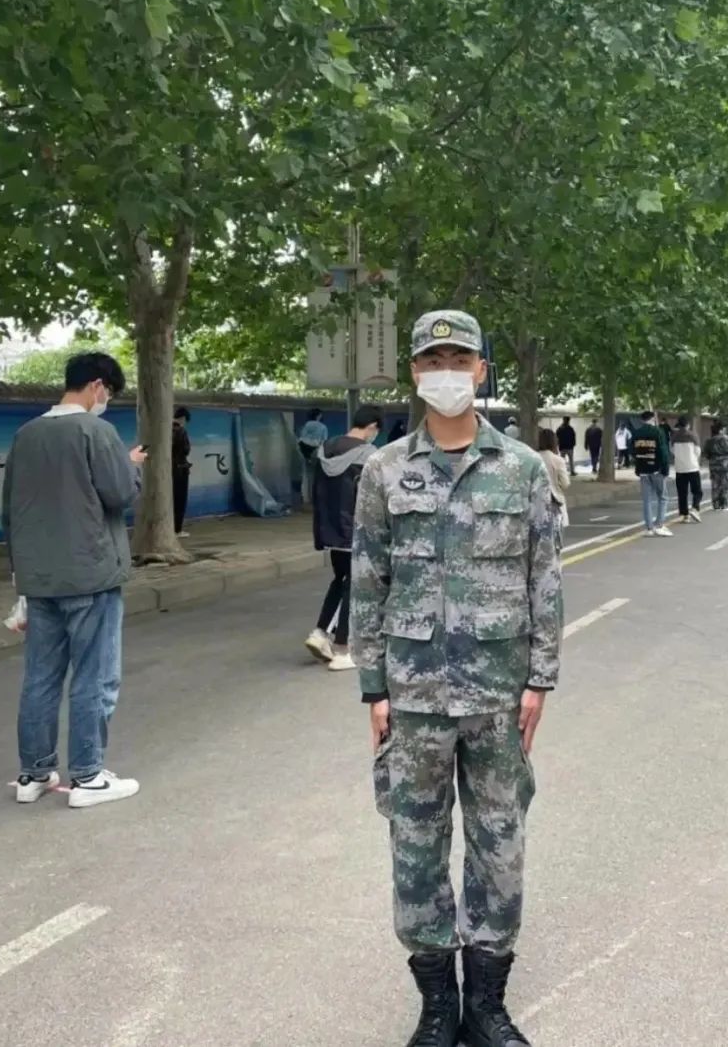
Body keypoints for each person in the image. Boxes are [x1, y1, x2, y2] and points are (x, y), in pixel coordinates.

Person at [351, 310, 561, 1047]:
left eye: (459, 358)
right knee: (416, 846)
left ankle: (487, 1005)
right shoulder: (384, 470)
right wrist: (373, 688)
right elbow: (368, 579)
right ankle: (438, 1003)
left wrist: (540, 680)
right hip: (413, 695)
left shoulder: (523, 467)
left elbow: (544, 577)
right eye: (433, 359)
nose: (446, 370)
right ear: (415, 372)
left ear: (480, 370)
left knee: (499, 843)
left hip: (499, 693)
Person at [3, 352, 145, 808]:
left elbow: (12, 511)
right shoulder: (95, 432)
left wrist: (20, 578)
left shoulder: (26, 434)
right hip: (90, 573)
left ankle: (34, 773)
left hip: (39, 578)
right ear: (98, 385)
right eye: (109, 393)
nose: (106, 401)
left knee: (40, 679)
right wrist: (130, 465)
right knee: (94, 677)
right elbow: (119, 492)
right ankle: (87, 777)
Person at [306, 405, 382, 672]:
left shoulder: (325, 448)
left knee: (341, 579)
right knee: (354, 585)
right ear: (372, 426)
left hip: (329, 527)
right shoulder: (369, 455)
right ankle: (341, 648)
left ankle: (321, 633)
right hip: (355, 529)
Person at [631, 409, 672, 537]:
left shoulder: (636, 433)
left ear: (642, 420)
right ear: (652, 419)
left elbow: (632, 451)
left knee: (647, 500)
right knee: (663, 497)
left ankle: (649, 528)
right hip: (656, 469)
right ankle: (659, 525)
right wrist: (665, 469)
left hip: (643, 470)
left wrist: (638, 465)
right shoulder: (658, 432)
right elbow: (663, 452)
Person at [537, 427, 570, 541]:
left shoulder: (534, 458)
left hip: (537, 502)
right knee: (556, 539)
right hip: (555, 501)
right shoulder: (558, 460)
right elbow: (565, 484)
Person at [671, 416, 702, 523]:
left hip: (680, 468)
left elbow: (672, 451)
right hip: (692, 467)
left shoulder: (674, 437)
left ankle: (685, 515)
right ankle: (695, 508)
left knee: (682, 493)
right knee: (697, 491)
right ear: (688, 425)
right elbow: (697, 451)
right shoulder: (693, 435)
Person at [298, 408, 329, 504]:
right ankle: (314, 498)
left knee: (305, 475)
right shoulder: (323, 427)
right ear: (319, 415)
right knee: (316, 475)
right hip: (316, 450)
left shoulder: (307, 425)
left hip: (303, 449)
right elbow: (324, 441)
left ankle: (305, 498)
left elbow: (301, 437)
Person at [171, 406, 192, 536]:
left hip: (169, 469)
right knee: (180, 500)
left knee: (171, 500)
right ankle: (177, 529)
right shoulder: (181, 431)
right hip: (180, 470)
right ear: (183, 418)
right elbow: (186, 450)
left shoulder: (166, 429)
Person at [703, 421, 728, 511]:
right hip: (724, 464)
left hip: (713, 464)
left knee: (715, 484)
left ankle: (716, 504)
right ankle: (724, 504)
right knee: (724, 484)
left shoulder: (709, 441)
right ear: (720, 430)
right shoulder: (727, 439)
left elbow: (705, 454)